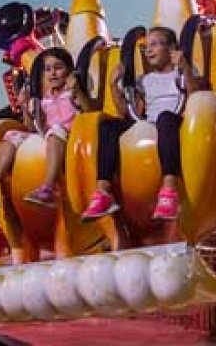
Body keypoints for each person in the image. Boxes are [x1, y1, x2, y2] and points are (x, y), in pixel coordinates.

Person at [82, 27, 201, 222]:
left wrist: (185, 68)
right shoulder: (145, 81)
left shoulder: (182, 72)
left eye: (154, 45)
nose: (149, 51)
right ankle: (103, 192)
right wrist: (114, 86)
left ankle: (169, 189)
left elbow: (196, 98)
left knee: (165, 117)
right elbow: (127, 113)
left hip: (176, 122)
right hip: (150, 123)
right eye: (146, 47)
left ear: (171, 48)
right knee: (108, 126)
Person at [0, 48, 95, 209]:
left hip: (73, 135)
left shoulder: (73, 92)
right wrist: (25, 106)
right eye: (48, 69)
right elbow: (31, 127)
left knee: (56, 131)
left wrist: (77, 91)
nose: (52, 73)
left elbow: (90, 114)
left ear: (69, 70)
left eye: (58, 68)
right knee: (11, 135)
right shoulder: (44, 98)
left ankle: (49, 188)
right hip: (49, 135)